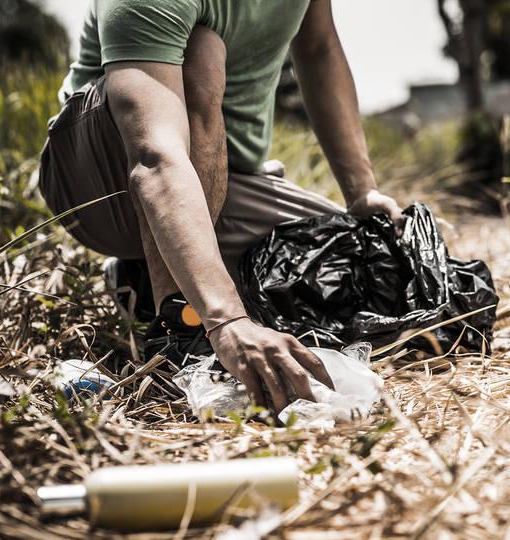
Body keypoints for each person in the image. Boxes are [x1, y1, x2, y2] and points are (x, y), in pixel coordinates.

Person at [37, 0, 403, 413]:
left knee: (370, 270)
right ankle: (179, 330)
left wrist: (361, 194)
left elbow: (319, 48)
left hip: (227, 179)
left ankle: (140, 282)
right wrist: (226, 321)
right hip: (100, 183)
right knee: (202, 50)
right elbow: (154, 155)